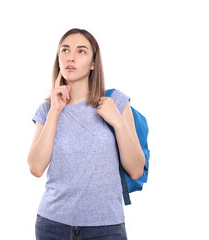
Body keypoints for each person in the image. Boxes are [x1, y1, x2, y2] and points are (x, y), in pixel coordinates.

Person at [27, 28, 145, 240]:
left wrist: (117, 122)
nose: (70, 57)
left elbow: (136, 170)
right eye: (65, 50)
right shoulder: (47, 109)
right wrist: (55, 110)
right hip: (52, 226)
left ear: (93, 63)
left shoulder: (116, 102)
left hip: (106, 229)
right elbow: (35, 167)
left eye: (81, 51)